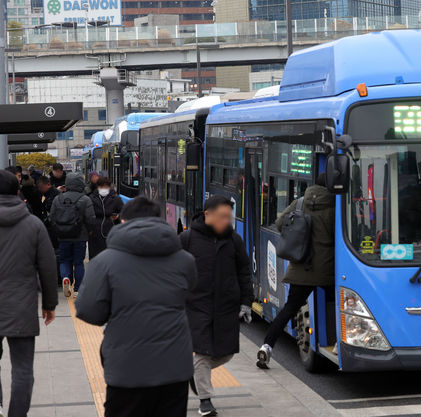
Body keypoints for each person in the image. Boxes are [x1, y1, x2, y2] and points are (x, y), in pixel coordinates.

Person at [75, 197, 197, 417]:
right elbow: (191, 298)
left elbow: (88, 310)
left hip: (126, 370)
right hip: (175, 368)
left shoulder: (104, 261)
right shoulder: (185, 260)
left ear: (123, 221)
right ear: (159, 220)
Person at [0, 169, 58, 417]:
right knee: (22, 368)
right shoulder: (33, 224)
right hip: (21, 307)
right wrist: (49, 304)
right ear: (17, 190)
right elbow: (48, 267)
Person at [180, 195, 252, 416]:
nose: (226, 221)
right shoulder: (187, 239)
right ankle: (205, 401)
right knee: (203, 353)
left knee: (226, 352)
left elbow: (244, 272)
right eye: (222, 216)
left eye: (229, 217)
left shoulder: (234, 240)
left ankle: (193, 372)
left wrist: (246, 302)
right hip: (197, 305)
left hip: (226, 306)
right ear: (207, 215)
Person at [257, 173, 334, 369]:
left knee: (289, 309)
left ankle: (266, 347)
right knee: (336, 305)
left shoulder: (299, 203)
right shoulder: (335, 205)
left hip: (300, 268)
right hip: (327, 271)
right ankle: (336, 344)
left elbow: (280, 223)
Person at [49, 173, 95, 297]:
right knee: (78, 262)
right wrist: (89, 231)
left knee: (64, 260)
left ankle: (65, 278)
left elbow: (52, 217)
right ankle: (77, 289)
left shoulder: (58, 199)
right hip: (80, 236)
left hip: (63, 236)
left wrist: (58, 230)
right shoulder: (85, 199)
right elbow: (90, 219)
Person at [88, 177, 123, 259]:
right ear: (98, 187)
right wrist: (89, 229)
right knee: (95, 254)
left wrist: (117, 217)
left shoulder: (116, 199)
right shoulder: (91, 198)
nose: (104, 189)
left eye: (106, 186)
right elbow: (88, 214)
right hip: (95, 231)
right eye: (101, 186)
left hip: (111, 228)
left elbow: (123, 212)